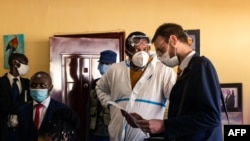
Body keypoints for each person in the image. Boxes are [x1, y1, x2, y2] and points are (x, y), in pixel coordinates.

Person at [132, 23, 222, 141]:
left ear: (173, 40)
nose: (159, 57)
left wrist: (165, 125)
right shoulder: (186, 71)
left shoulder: (201, 66)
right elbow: (183, 116)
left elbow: (212, 116)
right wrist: (149, 126)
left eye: (160, 50)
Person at [95, 31, 176, 141]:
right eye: (137, 50)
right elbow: (100, 87)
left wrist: (166, 125)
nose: (142, 54)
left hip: (147, 137)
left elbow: (177, 99)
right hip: (116, 136)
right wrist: (110, 104)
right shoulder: (115, 70)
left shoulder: (163, 70)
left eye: (145, 50)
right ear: (127, 52)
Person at [17, 71, 71, 141]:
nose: (37, 88)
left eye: (42, 85)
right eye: (33, 85)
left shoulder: (63, 110)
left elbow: (69, 136)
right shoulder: (23, 110)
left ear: (50, 88)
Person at [0, 53, 31, 141]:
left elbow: (31, 104)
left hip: (23, 130)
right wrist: (24, 105)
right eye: (25, 63)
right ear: (15, 63)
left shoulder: (28, 83)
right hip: (4, 130)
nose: (27, 67)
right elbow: (2, 106)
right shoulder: (1, 82)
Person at [89, 50, 117, 141]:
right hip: (94, 130)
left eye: (106, 63)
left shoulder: (119, 83)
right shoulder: (95, 83)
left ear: (113, 65)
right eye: (101, 63)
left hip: (110, 131)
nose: (102, 66)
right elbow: (89, 106)